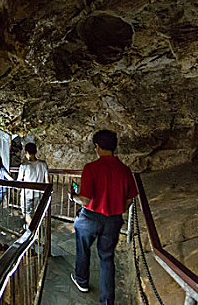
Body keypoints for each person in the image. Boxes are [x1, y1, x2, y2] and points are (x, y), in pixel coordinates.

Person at [69, 130, 138, 305]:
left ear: (97, 147)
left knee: (83, 249)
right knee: (107, 258)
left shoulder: (91, 168)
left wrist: (72, 196)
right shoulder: (125, 170)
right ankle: (107, 300)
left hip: (90, 217)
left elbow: (85, 199)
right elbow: (129, 199)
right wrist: (116, 208)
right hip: (113, 219)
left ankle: (82, 281)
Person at [18, 142, 49, 228]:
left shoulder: (24, 165)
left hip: (26, 193)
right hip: (38, 193)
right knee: (36, 212)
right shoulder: (43, 164)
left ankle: (33, 232)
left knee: (26, 213)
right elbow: (47, 181)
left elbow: (19, 181)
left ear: (26, 152)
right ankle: (31, 227)